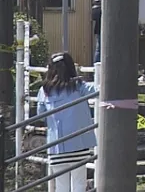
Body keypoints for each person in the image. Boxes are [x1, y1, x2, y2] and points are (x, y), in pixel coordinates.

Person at [37, 53, 97, 192]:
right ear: (71, 68)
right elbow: (98, 89)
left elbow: (41, 114)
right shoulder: (77, 86)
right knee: (79, 183)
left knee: (61, 186)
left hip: (56, 145)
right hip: (79, 144)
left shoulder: (44, 90)